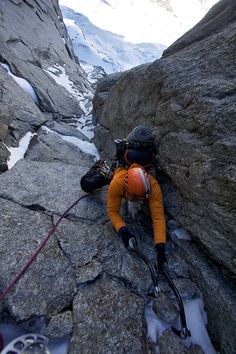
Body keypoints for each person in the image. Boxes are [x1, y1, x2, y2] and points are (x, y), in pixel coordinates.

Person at [80, 125, 167, 271]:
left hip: (134, 169)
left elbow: (159, 218)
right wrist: (124, 232)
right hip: (117, 172)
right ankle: (100, 166)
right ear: (125, 188)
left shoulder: (153, 187)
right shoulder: (118, 182)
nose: (136, 199)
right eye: (133, 196)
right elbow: (112, 211)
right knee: (86, 185)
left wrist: (161, 250)